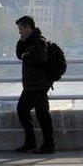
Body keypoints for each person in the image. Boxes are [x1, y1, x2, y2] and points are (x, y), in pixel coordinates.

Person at [14, 16, 55, 154]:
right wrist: (22, 43)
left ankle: (49, 145)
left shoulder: (39, 42)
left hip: (39, 85)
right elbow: (19, 54)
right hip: (30, 85)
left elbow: (41, 60)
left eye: (21, 29)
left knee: (42, 115)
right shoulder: (28, 42)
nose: (20, 32)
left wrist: (27, 55)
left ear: (28, 27)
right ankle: (30, 142)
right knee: (22, 110)